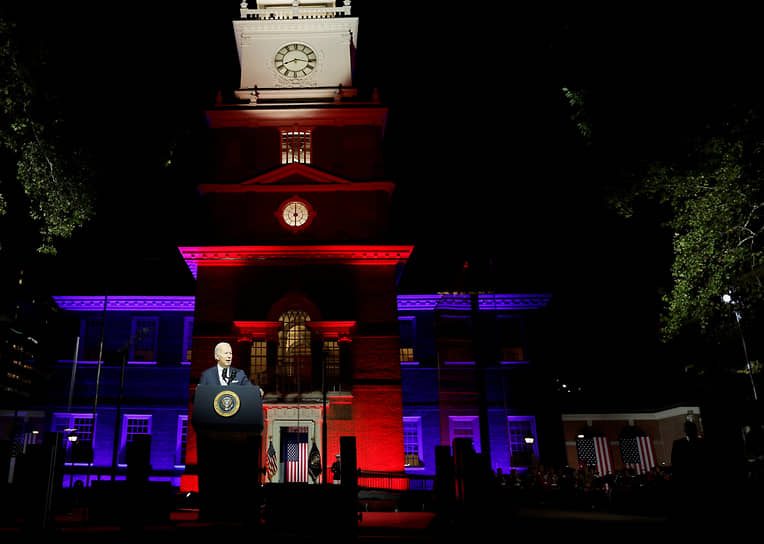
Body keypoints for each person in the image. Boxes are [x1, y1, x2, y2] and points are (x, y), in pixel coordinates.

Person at [199, 342, 264, 398]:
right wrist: (199, 392)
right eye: (226, 353)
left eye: (230, 353)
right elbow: (199, 397)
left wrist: (257, 391)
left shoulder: (239, 373)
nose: (229, 356)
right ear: (217, 356)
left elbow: (250, 389)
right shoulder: (207, 375)